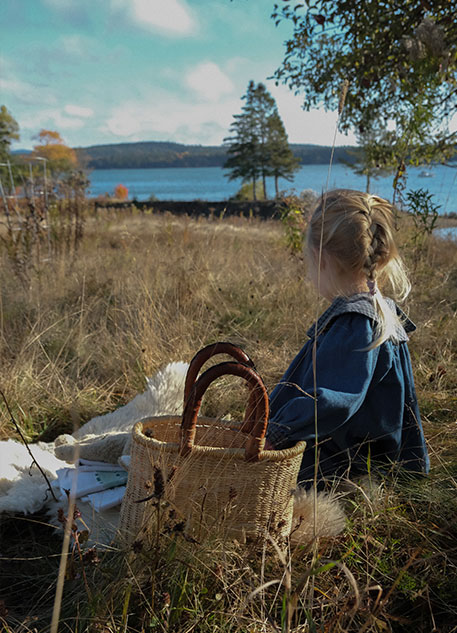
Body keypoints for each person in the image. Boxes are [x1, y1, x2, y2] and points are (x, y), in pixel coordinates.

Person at [266, 189, 430, 487]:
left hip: (337, 468)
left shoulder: (356, 322)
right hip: (361, 460)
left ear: (322, 258)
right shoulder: (381, 310)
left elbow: (334, 401)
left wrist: (278, 432)